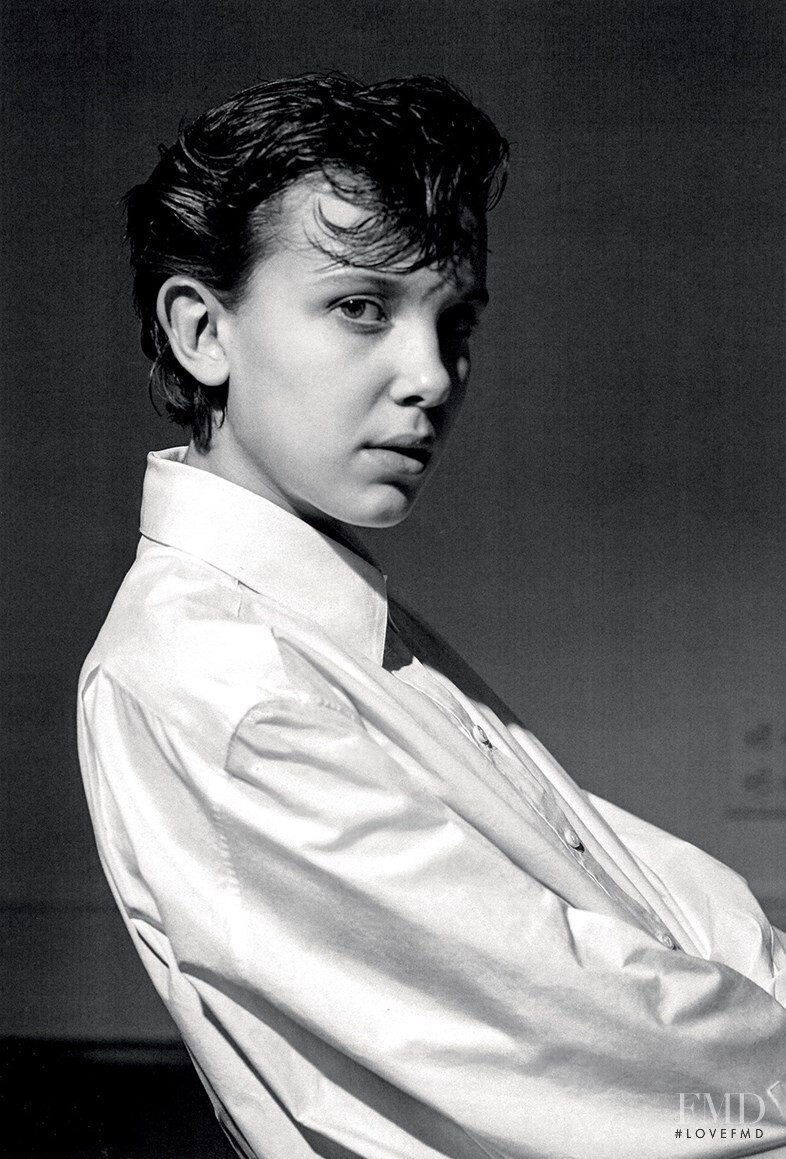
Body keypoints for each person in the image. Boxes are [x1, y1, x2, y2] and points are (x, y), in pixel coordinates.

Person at [77, 73, 786, 1159]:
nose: (432, 377)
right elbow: (572, 1038)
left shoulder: (321, 619)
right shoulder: (229, 681)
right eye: (360, 307)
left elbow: (648, 900)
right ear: (202, 331)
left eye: (454, 321)